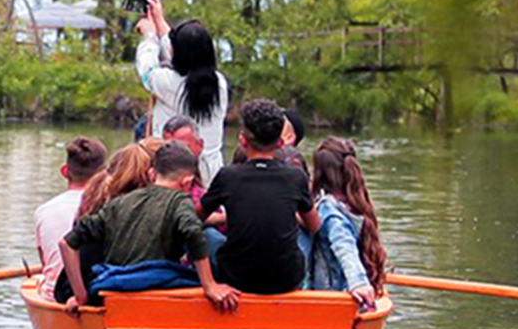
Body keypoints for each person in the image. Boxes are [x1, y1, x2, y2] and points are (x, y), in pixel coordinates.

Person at [61, 139, 237, 309]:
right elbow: (193, 232)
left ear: (152, 174)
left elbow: (66, 243)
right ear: (187, 182)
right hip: (155, 290)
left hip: (114, 288)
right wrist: (209, 284)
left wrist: (80, 296)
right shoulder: (180, 201)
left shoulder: (118, 204)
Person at [199, 98, 318, 295]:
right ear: (280, 143)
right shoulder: (295, 177)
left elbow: (196, 217)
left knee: (207, 234)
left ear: (242, 140)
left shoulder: (228, 176)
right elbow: (315, 226)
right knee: (303, 234)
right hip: (285, 280)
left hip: (236, 278)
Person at [134, 0, 228, 168]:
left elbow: (146, 65)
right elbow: (179, 49)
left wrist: (149, 36)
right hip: (211, 170)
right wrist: (159, 19)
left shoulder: (167, 82)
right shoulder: (219, 84)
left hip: (173, 170)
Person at [304, 136, 386, 312]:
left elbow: (344, 245)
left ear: (319, 173)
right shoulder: (356, 203)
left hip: (331, 299)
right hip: (345, 295)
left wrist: (359, 283)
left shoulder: (328, 209)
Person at [34, 136, 109, 293]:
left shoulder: (43, 211)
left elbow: (45, 264)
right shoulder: (112, 207)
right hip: (96, 294)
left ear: (65, 171)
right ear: (104, 174)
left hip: (54, 294)